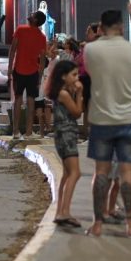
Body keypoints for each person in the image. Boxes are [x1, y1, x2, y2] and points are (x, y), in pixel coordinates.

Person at [84, 9, 131, 239]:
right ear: (121, 26)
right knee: (127, 173)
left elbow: (91, 73)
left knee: (101, 173)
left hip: (101, 119)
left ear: (100, 27)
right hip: (129, 118)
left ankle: (97, 225)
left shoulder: (90, 49)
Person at [50, 60, 83, 229]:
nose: (77, 78)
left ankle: (60, 211)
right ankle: (65, 211)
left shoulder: (61, 92)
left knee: (67, 174)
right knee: (75, 173)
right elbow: (77, 113)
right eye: (74, 75)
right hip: (66, 135)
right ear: (63, 76)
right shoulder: (64, 94)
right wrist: (80, 94)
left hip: (62, 135)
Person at [8, 9, 47, 139]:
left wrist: (9, 69)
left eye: (33, 14)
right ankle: (29, 132)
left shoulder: (20, 30)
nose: (30, 14)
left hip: (19, 70)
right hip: (33, 73)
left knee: (18, 100)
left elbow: (12, 50)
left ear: (35, 20)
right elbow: (42, 61)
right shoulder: (42, 37)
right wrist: (39, 79)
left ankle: (16, 131)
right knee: (31, 101)